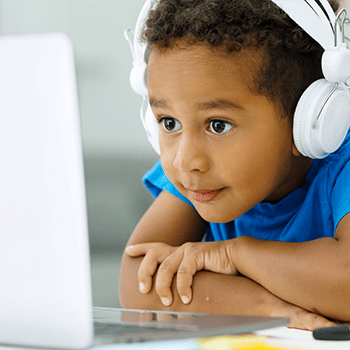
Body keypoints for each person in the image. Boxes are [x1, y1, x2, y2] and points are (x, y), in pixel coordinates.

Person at [119, 0, 350, 330]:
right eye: (169, 123)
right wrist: (269, 309)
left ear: (310, 120)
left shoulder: (343, 162)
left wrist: (235, 254)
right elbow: (136, 282)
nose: (186, 160)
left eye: (217, 125)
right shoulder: (202, 181)